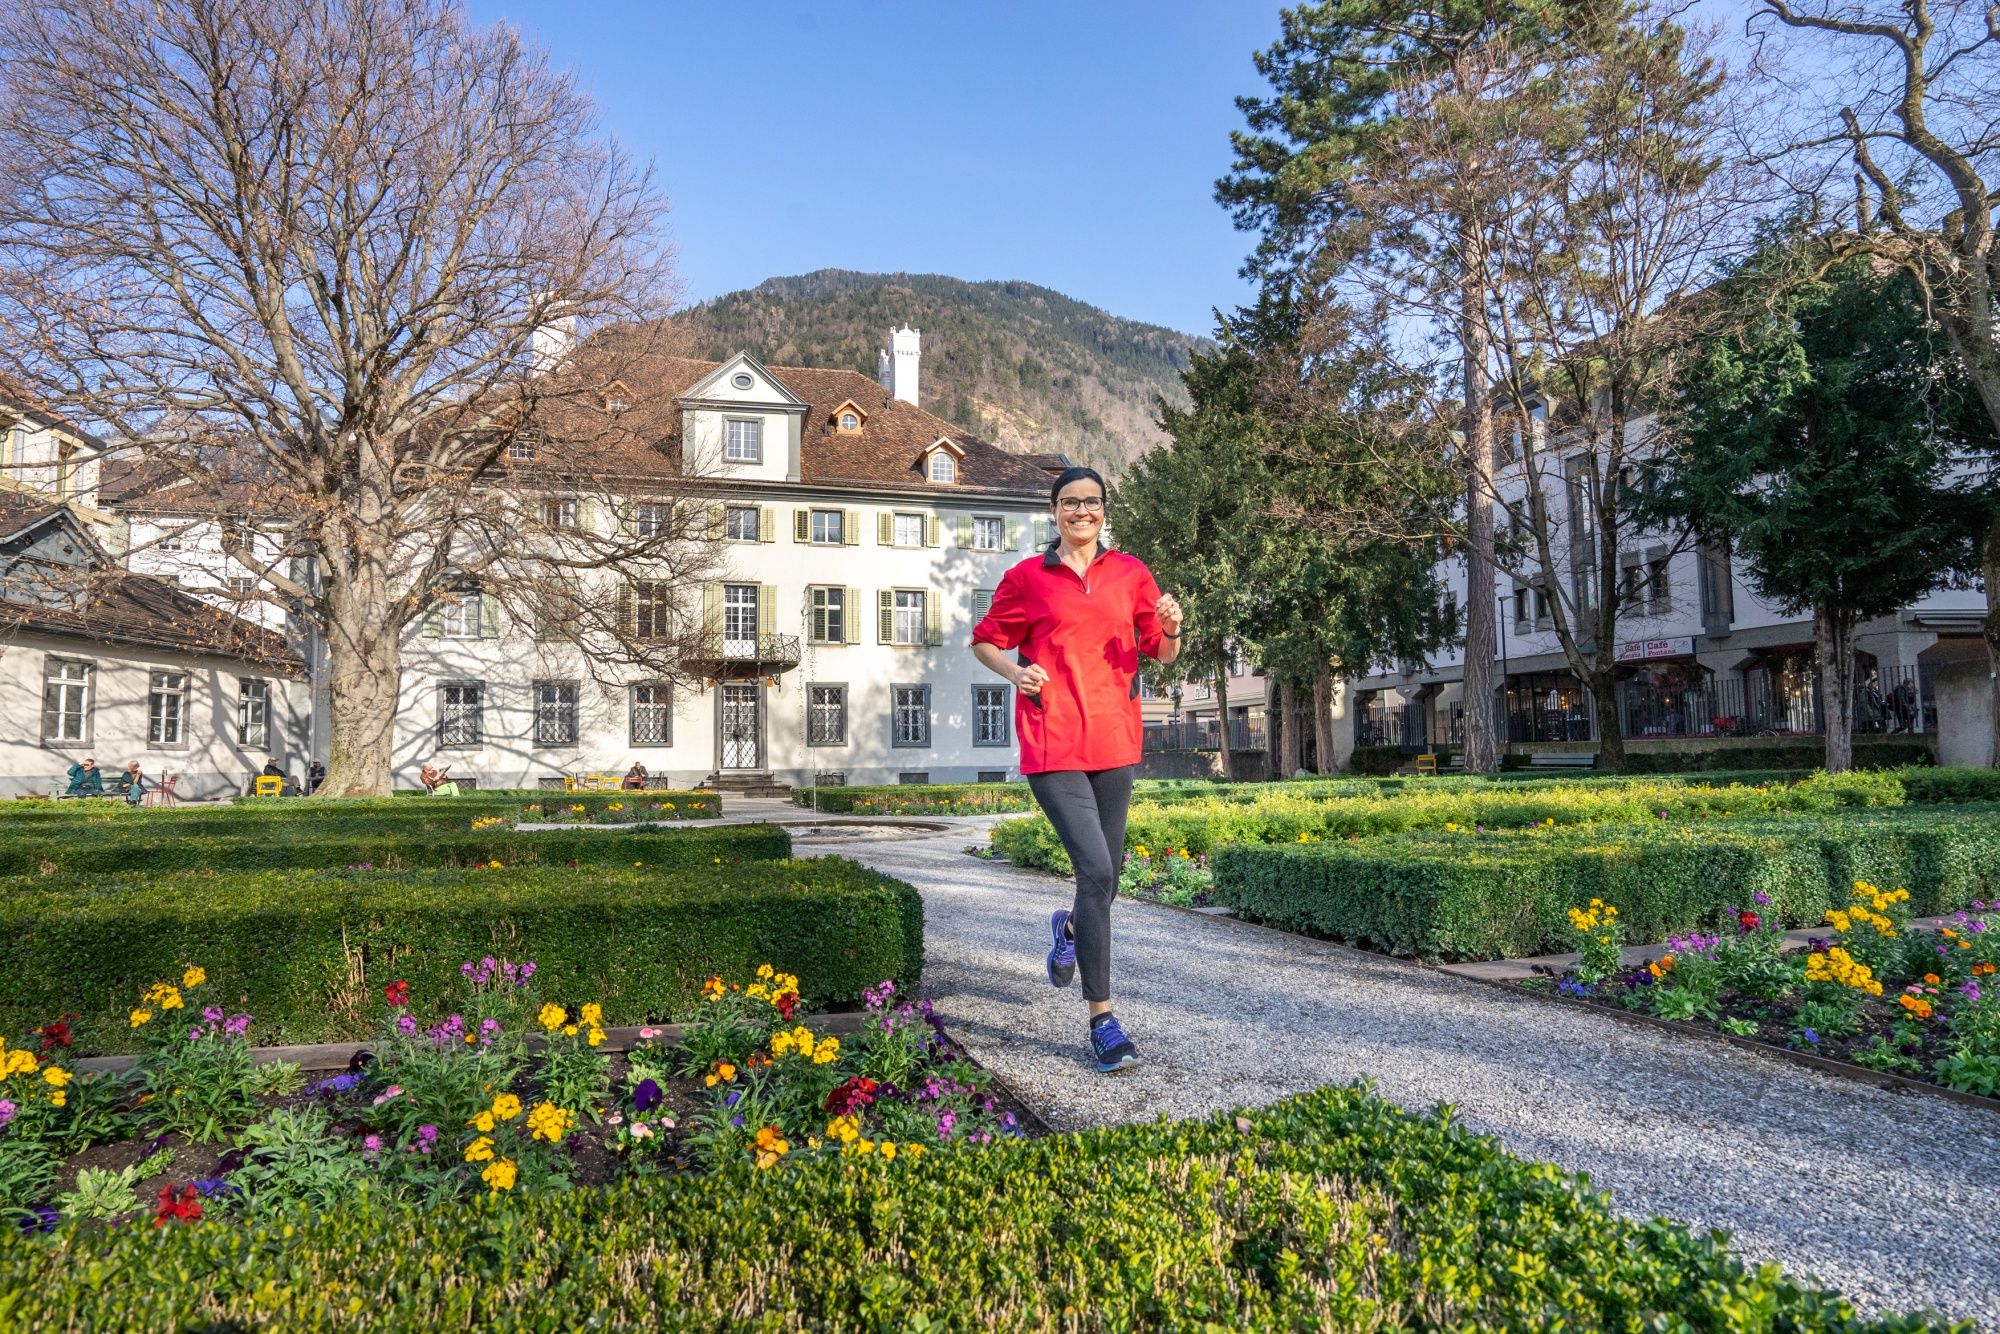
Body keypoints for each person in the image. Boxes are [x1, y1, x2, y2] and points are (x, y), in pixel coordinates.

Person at [971, 465, 1182, 1074]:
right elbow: (985, 639)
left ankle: (1069, 928)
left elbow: (1159, 650)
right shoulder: (1028, 579)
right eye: (1069, 502)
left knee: (1106, 879)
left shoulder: (1131, 574)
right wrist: (1016, 672)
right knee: (1094, 868)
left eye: (1091, 502)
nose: (1081, 512)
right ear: (1054, 511)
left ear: (1104, 510)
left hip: (1115, 742)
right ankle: (1104, 1020)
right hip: (1052, 743)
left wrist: (1170, 629)